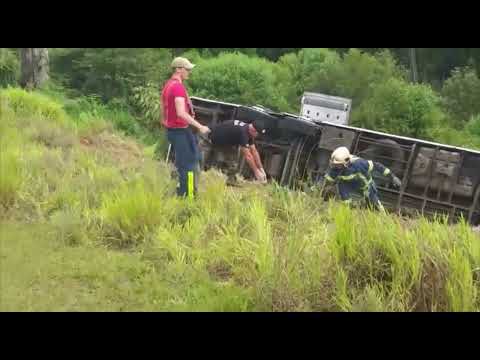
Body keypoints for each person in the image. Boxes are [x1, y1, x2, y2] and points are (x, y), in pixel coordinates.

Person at [161, 57, 210, 199]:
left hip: (175, 131)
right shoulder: (177, 87)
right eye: (187, 69)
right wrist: (200, 126)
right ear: (178, 69)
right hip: (180, 131)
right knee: (189, 166)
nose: (189, 72)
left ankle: (178, 190)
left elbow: (164, 110)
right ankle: (187, 196)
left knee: (189, 160)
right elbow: (181, 113)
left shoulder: (168, 85)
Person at [321, 146, 402, 212]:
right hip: (348, 184)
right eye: (334, 164)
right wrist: (320, 188)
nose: (334, 167)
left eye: (337, 165)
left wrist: (392, 177)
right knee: (341, 186)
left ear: (346, 163)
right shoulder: (335, 170)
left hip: (365, 186)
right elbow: (328, 180)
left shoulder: (360, 164)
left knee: (374, 203)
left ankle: (383, 217)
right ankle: (347, 211)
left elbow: (377, 166)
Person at [200, 120, 267, 185]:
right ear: (254, 130)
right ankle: (197, 176)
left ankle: (231, 180)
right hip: (209, 138)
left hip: (226, 143)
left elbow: (254, 151)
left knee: (233, 161)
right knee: (200, 160)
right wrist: (256, 172)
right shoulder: (242, 132)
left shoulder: (248, 132)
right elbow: (248, 156)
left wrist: (261, 169)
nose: (258, 136)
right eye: (258, 133)